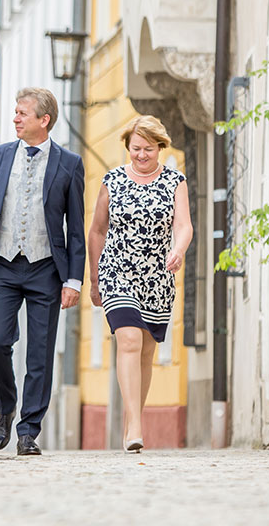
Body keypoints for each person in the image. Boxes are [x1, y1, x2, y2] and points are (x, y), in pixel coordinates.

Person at [0, 87, 85, 456]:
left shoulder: (69, 163)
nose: (14, 118)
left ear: (43, 121)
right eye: (15, 112)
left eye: (22, 113)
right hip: (3, 265)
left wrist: (73, 280)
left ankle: (29, 430)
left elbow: (75, 227)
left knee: (40, 354)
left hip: (47, 267)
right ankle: (6, 406)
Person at [87, 114, 193, 453]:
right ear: (127, 147)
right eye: (135, 148)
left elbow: (184, 225)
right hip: (117, 271)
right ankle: (133, 425)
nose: (141, 155)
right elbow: (98, 230)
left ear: (160, 147)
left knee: (147, 350)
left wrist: (178, 250)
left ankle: (135, 416)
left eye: (148, 149)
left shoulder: (176, 181)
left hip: (157, 278)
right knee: (129, 340)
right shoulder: (113, 180)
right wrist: (94, 279)